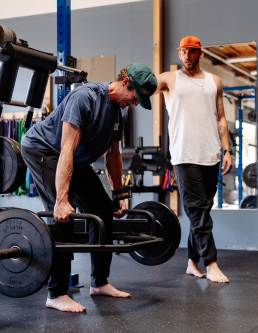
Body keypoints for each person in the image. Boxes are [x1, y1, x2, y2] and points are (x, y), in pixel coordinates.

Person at [21, 63, 157, 312]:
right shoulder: (85, 98)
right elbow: (66, 149)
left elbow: (113, 156)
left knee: (102, 207)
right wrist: (62, 199)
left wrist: (119, 195)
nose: (135, 103)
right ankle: (56, 293)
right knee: (63, 215)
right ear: (126, 82)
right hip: (44, 150)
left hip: (74, 157)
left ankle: (100, 282)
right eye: (136, 98)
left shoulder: (119, 112)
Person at [157, 36, 232, 283]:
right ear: (179, 53)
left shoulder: (215, 81)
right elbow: (143, 84)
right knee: (199, 211)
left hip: (210, 154)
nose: (188, 56)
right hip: (184, 155)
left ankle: (191, 261)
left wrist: (227, 150)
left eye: (192, 52)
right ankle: (211, 263)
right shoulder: (169, 79)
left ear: (200, 54)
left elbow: (221, 118)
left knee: (201, 210)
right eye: (184, 51)